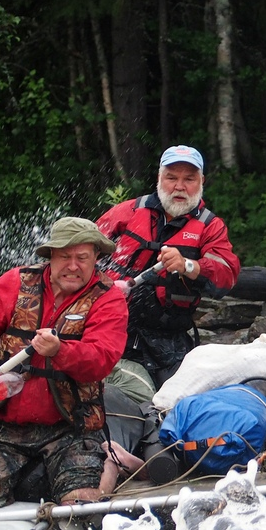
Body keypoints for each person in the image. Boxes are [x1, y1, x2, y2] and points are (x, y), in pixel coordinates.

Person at [0, 217, 128, 514]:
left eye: (82, 258)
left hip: (71, 429)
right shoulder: (14, 284)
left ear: (96, 258)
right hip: (4, 428)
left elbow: (101, 360)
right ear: (50, 257)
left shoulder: (108, 298)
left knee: (80, 506)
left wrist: (60, 350)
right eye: (65, 256)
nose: (73, 266)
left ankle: (109, 463)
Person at [97, 144, 241, 389]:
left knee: (175, 401)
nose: (179, 186)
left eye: (189, 179)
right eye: (171, 177)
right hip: (110, 329)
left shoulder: (210, 226)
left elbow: (226, 274)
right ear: (159, 178)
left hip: (167, 342)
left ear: (201, 181)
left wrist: (187, 265)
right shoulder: (129, 211)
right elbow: (82, 252)